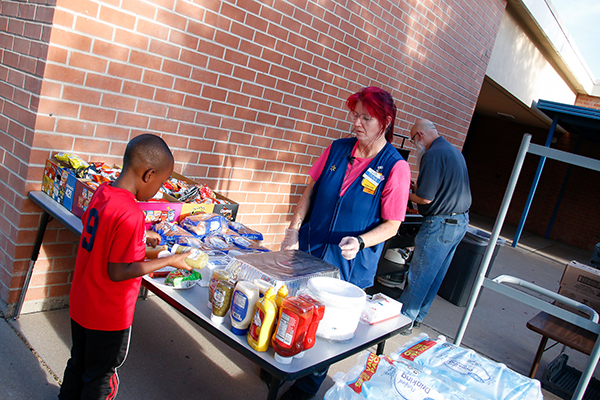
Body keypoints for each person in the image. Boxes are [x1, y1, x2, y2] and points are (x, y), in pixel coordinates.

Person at [278, 87, 411, 400]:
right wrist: (293, 229)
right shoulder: (336, 149)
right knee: (293, 308)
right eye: (356, 115)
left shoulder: (395, 166)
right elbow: (309, 192)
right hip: (311, 248)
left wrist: (362, 242)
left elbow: (392, 225)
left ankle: (306, 386)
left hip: (348, 265)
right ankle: (283, 360)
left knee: (326, 330)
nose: (357, 123)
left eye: (367, 118)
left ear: (386, 122)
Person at [58, 134, 194, 400]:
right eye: (162, 181)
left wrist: (141, 236)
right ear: (148, 175)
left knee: (79, 363)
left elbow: (105, 238)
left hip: (82, 302)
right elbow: (118, 271)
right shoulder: (131, 214)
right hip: (108, 316)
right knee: (100, 377)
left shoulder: (102, 192)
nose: (160, 188)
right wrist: (169, 260)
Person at [399, 119, 471, 334]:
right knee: (435, 273)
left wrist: (403, 192)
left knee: (420, 273)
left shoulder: (432, 154)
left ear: (420, 135)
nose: (415, 145)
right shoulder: (452, 151)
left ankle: (403, 321)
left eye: (413, 140)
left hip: (440, 223)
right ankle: (419, 315)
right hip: (459, 221)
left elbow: (424, 199)